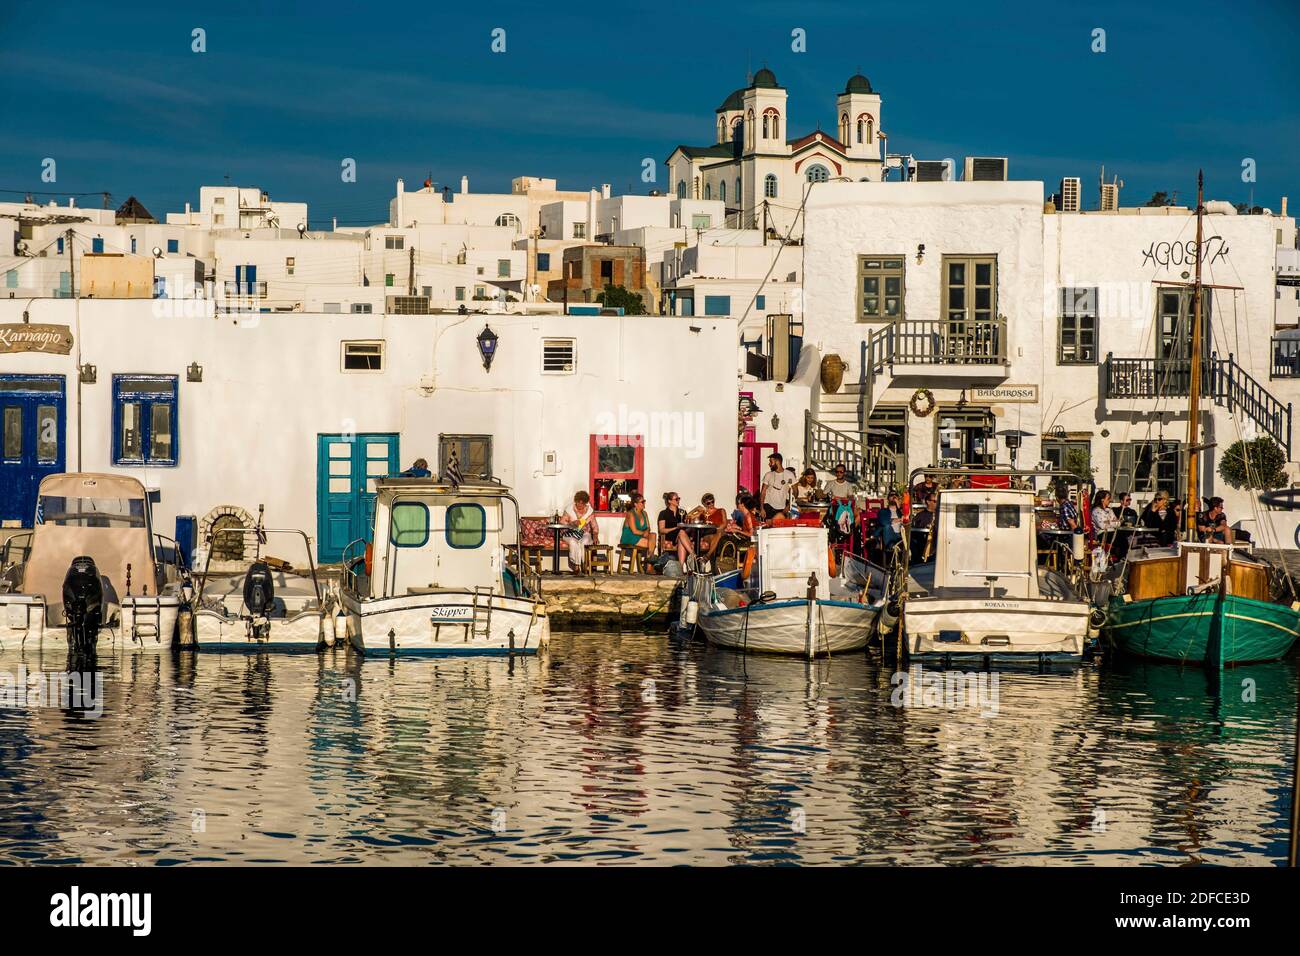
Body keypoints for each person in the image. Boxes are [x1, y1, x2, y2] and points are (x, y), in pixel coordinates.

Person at [560, 490, 599, 573]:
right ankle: (576, 566)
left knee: (585, 541)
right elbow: (562, 522)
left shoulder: (589, 511)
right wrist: (572, 523)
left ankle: (585, 564)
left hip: (584, 533)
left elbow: (594, 525)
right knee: (573, 542)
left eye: (582, 503)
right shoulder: (569, 509)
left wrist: (595, 535)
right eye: (578, 503)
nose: (580, 505)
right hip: (570, 533)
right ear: (575, 501)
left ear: (585, 503)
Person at [658, 491, 694, 563]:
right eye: (676, 499)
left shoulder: (682, 512)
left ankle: (680, 568)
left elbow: (686, 525)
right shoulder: (663, 513)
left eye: (679, 498)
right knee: (681, 532)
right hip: (670, 535)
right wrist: (676, 528)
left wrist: (690, 522)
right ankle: (693, 554)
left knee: (681, 536)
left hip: (682, 535)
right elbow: (661, 530)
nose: (678, 501)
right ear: (670, 501)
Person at [620, 493, 656, 563]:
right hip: (630, 537)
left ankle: (649, 562)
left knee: (653, 535)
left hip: (640, 536)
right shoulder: (630, 514)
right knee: (651, 544)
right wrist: (644, 533)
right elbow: (634, 531)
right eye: (642, 502)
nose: (644, 503)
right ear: (635, 504)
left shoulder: (644, 513)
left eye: (644, 501)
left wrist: (647, 532)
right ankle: (649, 565)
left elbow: (648, 527)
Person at [759, 452, 794, 519]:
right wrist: (762, 508)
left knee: (780, 527)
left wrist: (789, 505)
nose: (769, 464)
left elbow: (794, 492)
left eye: (771, 462)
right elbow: (763, 492)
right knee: (769, 527)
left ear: (777, 462)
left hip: (782, 508)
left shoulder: (789, 475)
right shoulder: (768, 475)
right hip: (768, 506)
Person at [909, 492, 937, 563]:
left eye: (937, 501)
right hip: (923, 541)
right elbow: (914, 529)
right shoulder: (920, 516)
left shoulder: (940, 515)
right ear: (928, 502)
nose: (936, 503)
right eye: (934, 501)